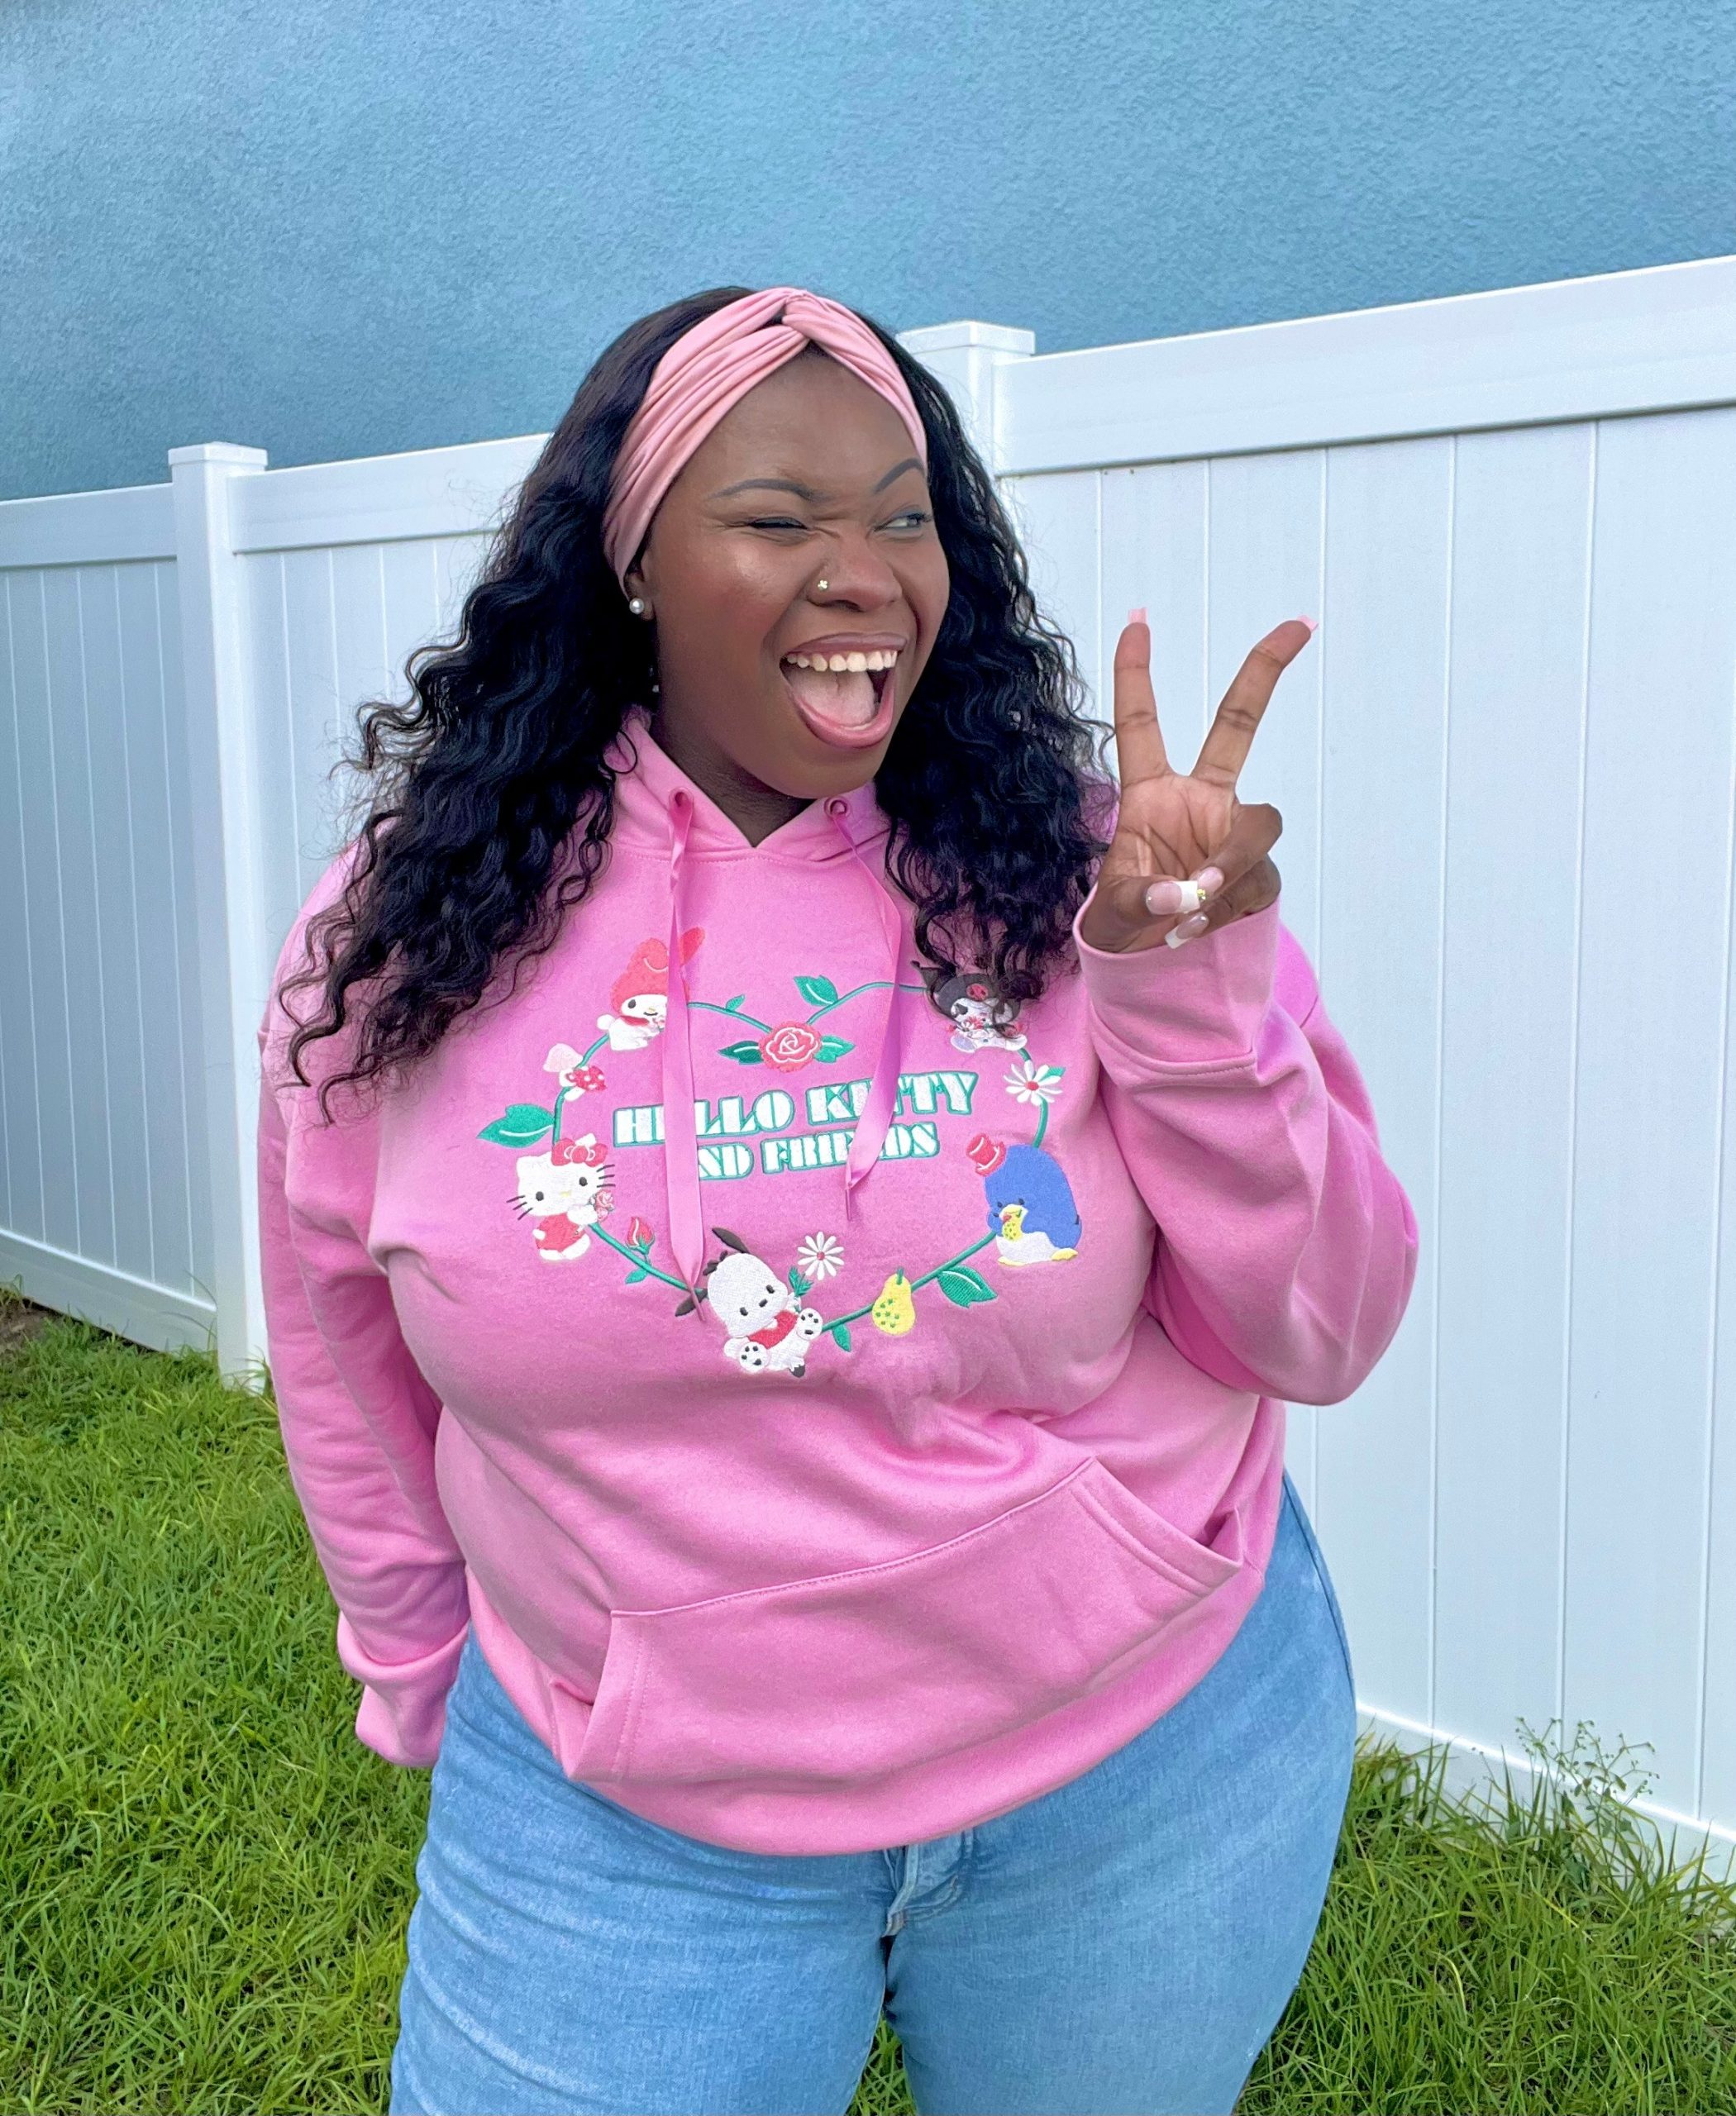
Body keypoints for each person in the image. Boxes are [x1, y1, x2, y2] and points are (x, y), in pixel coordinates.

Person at [256, 283, 1418, 2116]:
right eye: (779, 518)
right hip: (625, 1818)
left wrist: (1187, 992)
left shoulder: (1081, 870)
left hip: (1143, 1756)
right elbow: (341, 1336)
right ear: (634, 562)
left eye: (901, 516)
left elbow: (1318, 1327)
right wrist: (413, 1655)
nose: (863, 572)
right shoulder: (417, 924)